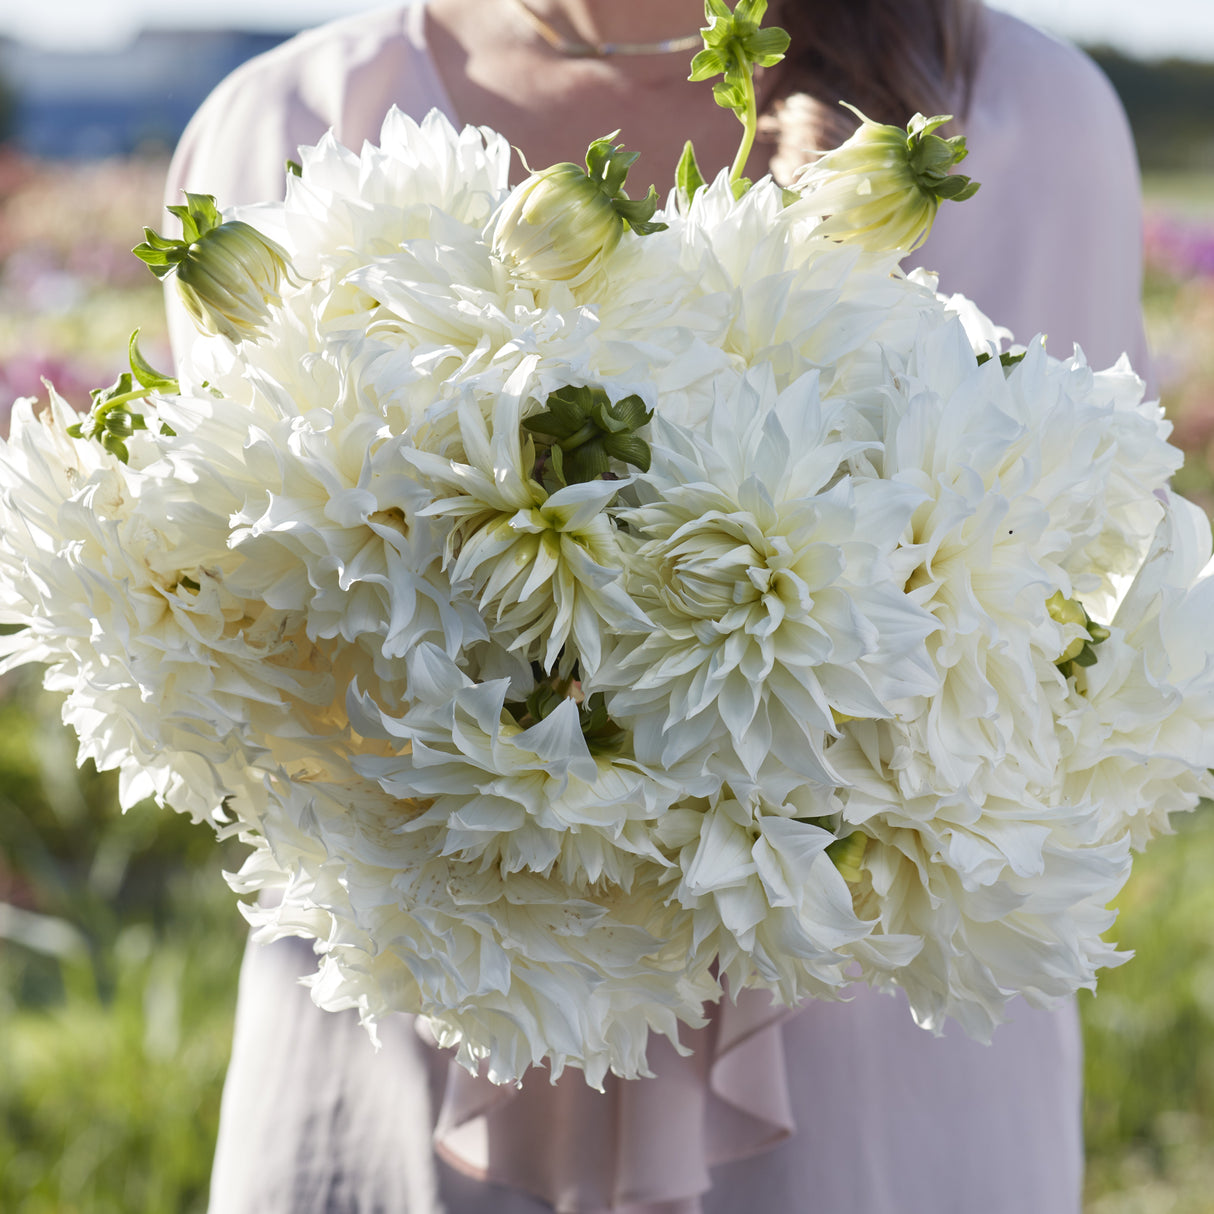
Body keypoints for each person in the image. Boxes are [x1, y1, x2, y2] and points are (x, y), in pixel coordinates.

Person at [165, 3, 1148, 1211]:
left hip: (864, 1044)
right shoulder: (282, 128)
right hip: (430, 999)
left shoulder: (1022, 121)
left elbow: (1078, 615)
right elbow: (228, 627)